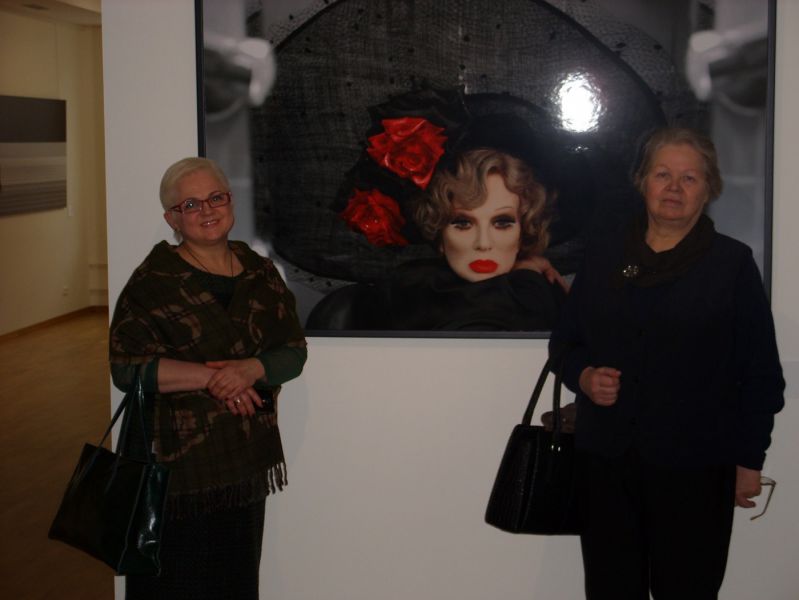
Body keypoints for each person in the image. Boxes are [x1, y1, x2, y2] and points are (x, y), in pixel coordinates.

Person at [549, 127, 784, 599]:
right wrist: (584, 376)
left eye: (689, 178)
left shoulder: (731, 265)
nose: (674, 188)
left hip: (697, 468)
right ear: (642, 181)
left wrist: (749, 460)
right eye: (662, 174)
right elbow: (564, 345)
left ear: (708, 189)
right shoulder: (604, 255)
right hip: (607, 465)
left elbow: (761, 376)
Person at [109, 157, 307, 599]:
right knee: (175, 583)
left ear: (230, 201)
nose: (207, 210)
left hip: (244, 461)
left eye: (216, 197)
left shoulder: (260, 273)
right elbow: (126, 367)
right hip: (176, 472)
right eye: (191, 204)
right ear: (172, 219)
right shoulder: (152, 283)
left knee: (235, 581)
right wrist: (213, 378)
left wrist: (251, 369)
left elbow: (293, 352)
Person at [381, 145, 566, 330]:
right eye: (463, 224)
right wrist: (528, 273)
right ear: (440, 234)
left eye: (502, 223)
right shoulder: (408, 293)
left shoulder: (548, 293)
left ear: (523, 232)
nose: (483, 243)